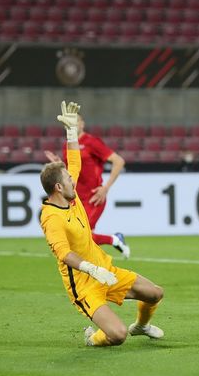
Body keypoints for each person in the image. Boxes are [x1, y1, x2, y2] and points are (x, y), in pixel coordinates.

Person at [40, 101, 164, 347]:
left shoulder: (70, 198)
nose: (75, 182)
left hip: (105, 270)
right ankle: (92, 338)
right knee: (117, 336)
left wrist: (71, 132)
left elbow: (74, 163)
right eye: (69, 180)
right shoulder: (50, 217)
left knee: (155, 293)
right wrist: (91, 269)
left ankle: (140, 325)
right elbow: (64, 254)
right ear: (58, 187)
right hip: (85, 286)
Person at [44, 114, 130, 258]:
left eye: (76, 122)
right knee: (79, 236)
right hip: (76, 198)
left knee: (82, 235)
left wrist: (106, 188)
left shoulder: (91, 142)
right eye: (70, 123)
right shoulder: (68, 144)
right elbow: (72, 170)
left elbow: (119, 161)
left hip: (94, 197)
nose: (73, 125)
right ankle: (115, 240)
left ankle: (112, 245)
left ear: (82, 124)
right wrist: (60, 163)